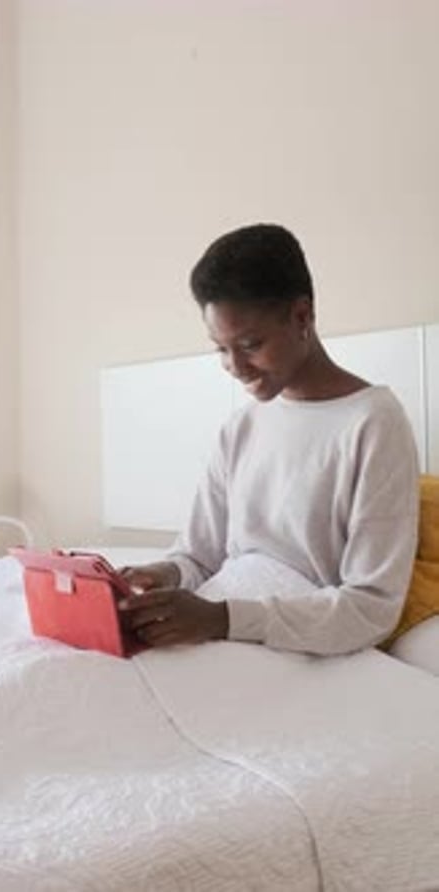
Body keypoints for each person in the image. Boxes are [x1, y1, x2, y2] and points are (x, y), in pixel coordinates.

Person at [119, 224, 419, 655]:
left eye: (250, 344)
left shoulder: (373, 422)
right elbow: (200, 559)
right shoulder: (241, 427)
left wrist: (222, 619)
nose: (235, 366)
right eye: (220, 349)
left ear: (302, 317)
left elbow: (371, 608)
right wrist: (164, 576)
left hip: (296, 645)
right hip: (227, 620)